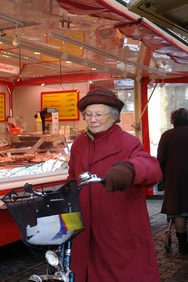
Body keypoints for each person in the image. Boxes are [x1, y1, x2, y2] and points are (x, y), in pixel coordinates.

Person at [67, 89, 162, 281]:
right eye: (88, 115)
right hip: (84, 229)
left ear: (114, 117)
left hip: (117, 231)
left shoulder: (128, 142)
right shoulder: (79, 143)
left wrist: (130, 169)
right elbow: (72, 178)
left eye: (98, 114)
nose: (92, 119)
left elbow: (152, 168)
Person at [157, 107, 188, 255]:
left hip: (175, 179)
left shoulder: (167, 136)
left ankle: (183, 246)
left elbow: (161, 160)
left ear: (173, 120)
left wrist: (163, 179)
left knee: (179, 211)